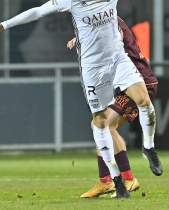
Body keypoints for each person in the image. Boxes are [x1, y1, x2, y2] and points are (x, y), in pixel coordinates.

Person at [0, 0, 169, 198]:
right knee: (100, 122)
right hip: (93, 69)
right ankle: (116, 179)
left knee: (144, 100)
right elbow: (39, 11)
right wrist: (5, 24)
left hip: (118, 59)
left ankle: (149, 148)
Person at [67, 16, 159, 198]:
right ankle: (106, 180)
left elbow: (112, 39)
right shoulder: (100, 19)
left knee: (106, 126)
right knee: (99, 126)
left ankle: (126, 178)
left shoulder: (108, 17)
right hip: (122, 83)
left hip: (139, 81)